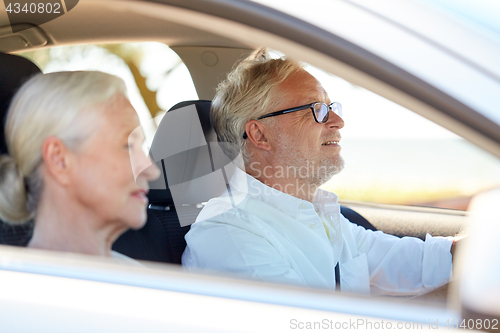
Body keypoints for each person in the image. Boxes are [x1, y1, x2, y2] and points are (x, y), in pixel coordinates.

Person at [182, 58, 459, 295]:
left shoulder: (320, 215)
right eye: (316, 110)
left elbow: (419, 263)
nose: (337, 122)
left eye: (330, 107)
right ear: (259, 134)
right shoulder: (229, 233)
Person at [0, 71, 160, 258]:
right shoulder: (16, 285)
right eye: (127, 146)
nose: (152, 170)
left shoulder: (142, 278)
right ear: (59, 160)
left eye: (140, 146)